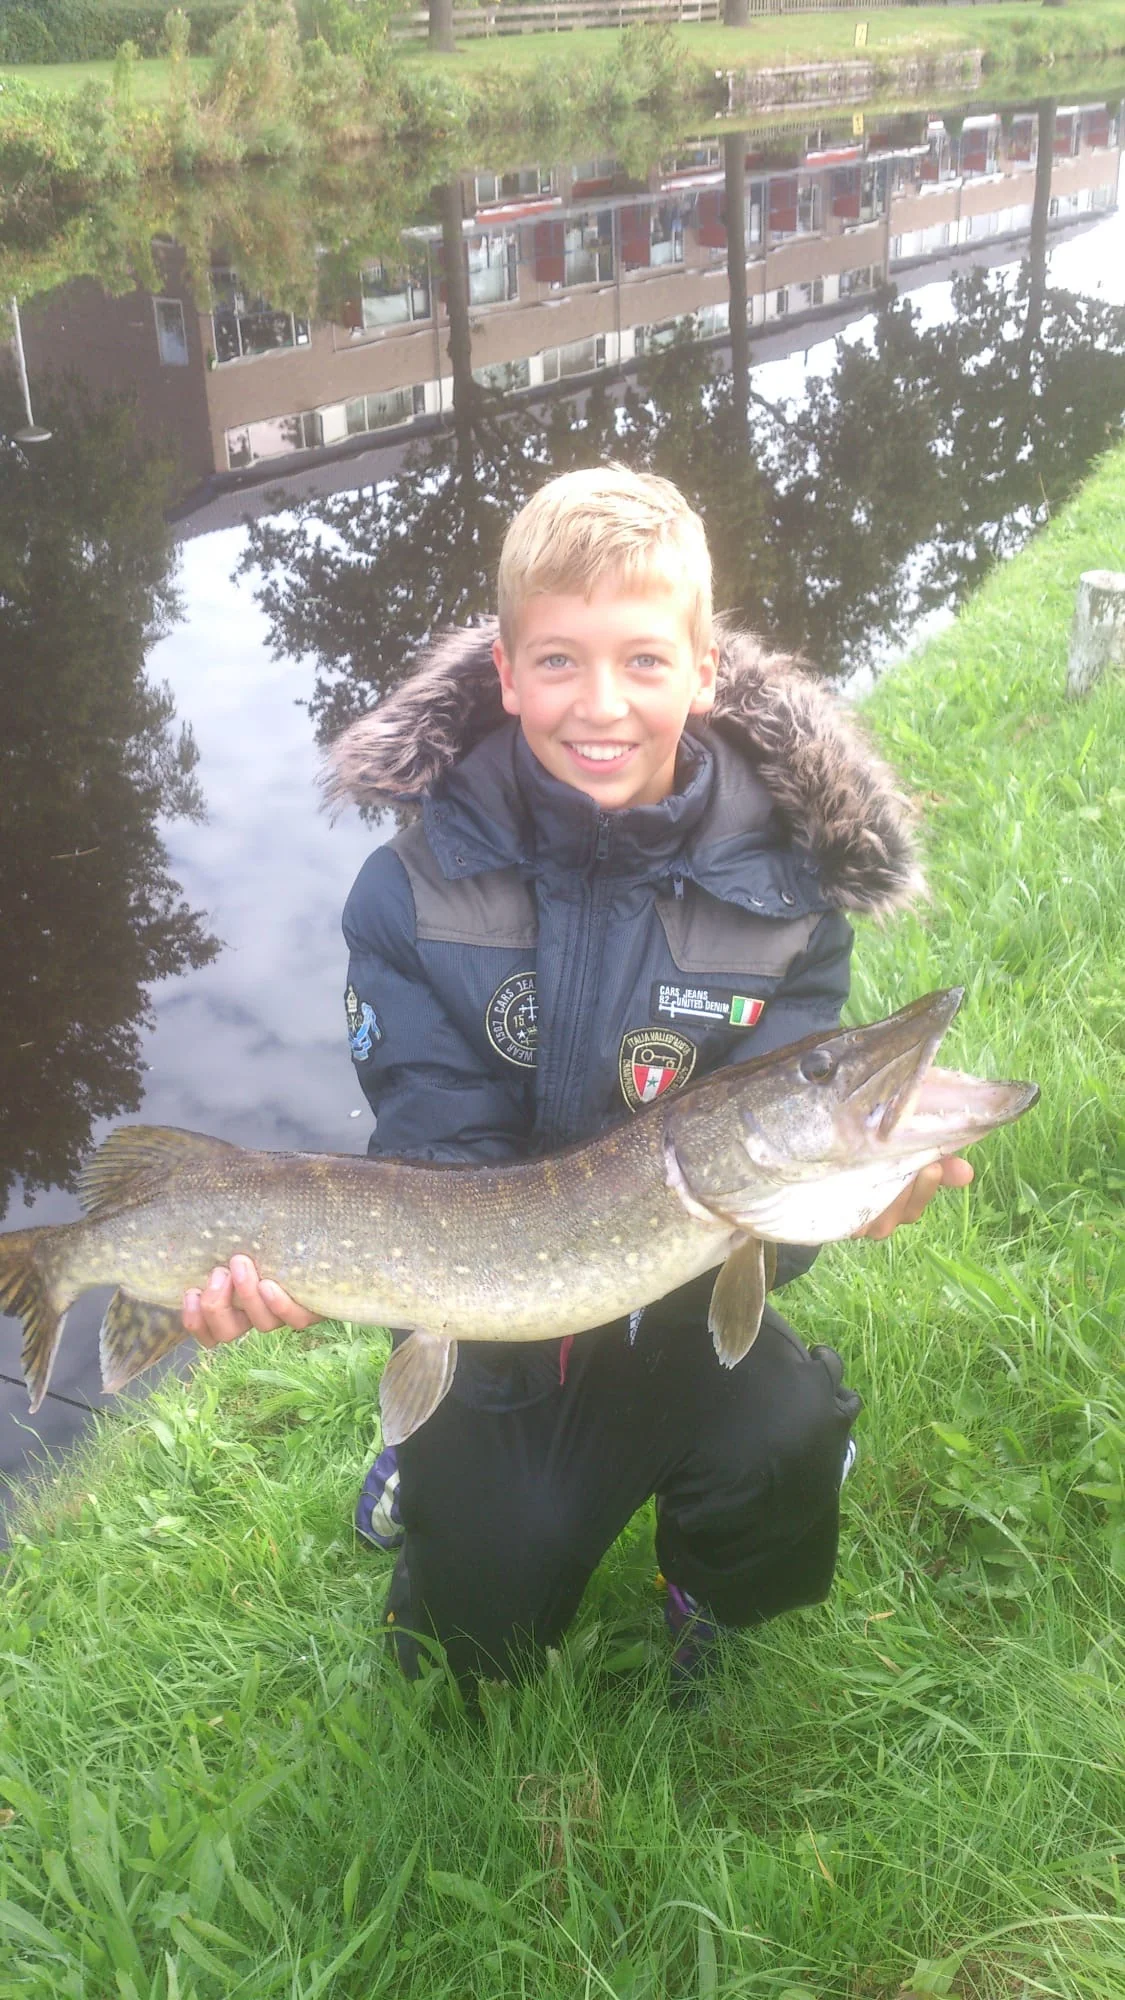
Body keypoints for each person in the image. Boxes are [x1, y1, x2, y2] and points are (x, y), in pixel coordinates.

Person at [183, 467, 971, 1692]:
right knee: (464, 1659)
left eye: (645, 662)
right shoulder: (414, 894)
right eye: (559, 661)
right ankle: (426, 1458)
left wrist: (848, 1195)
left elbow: (767, 1178)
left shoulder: (787, 894)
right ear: (504, 673)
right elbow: (433, 1155)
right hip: (490, 1331)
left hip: (670, 1307)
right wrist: (291, 1281)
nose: (601, 703)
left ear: (705, 671)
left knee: (789, 1437)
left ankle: (702, 1581)